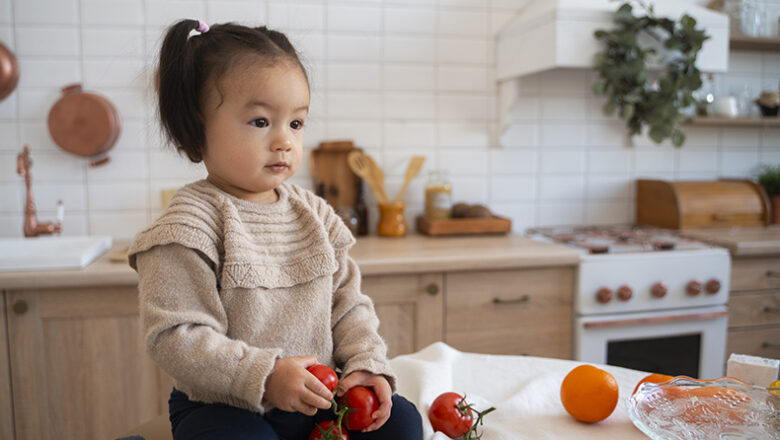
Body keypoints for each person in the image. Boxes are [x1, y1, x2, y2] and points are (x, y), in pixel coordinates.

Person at [128, 19, 423, 440]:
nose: (284, 140)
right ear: (195, 127)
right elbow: (177, 338)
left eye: (296, 123)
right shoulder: (186, 227)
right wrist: (264, 376)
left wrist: (364, 363)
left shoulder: (316, 215)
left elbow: (349, 306)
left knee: (404, 424)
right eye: (261, 122)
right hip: (225, 405)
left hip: (319, 397)